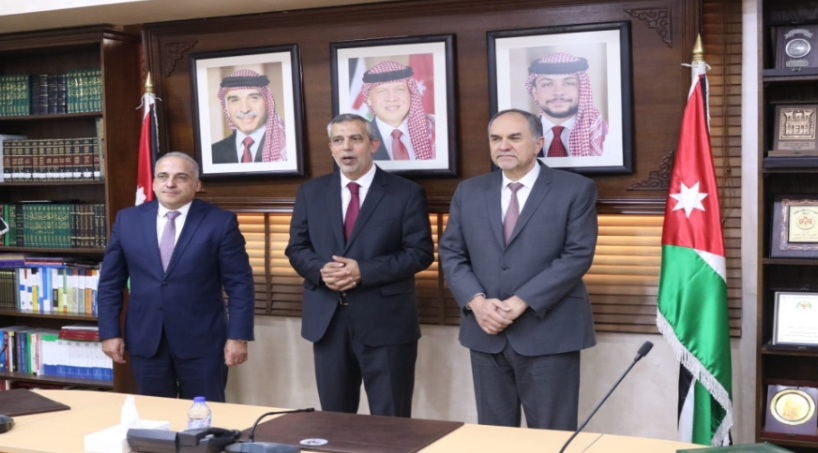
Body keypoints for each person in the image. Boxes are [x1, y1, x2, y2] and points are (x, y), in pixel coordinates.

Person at [439, 109, 598, 430]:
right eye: (495, 139)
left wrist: (520, 301)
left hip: (549, 332)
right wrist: (476, 302)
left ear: (538, 143)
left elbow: (577, 255)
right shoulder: (469, 191)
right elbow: (451, 253)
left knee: (551, 436)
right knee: (495, 437)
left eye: (514, 138)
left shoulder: (575, 189)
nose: (503, 146)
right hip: (485, 331)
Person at [285, 113, 434, 417]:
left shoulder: (406, 193)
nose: (347, 147)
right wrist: (320, 270)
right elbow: (297, 248)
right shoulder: (310, 192)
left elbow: (420, 253)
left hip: (386, 323)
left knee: (391, 421)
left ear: (373, 144)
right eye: (338, 140)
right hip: (328, 322)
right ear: (331, 148)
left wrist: (363, 271)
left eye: (355, 139)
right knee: (335, 420)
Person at [97, 152, 255, 402]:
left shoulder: (220, 222)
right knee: (155, 416)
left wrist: (238, 337)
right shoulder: (127, 220)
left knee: (204, 416)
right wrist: (109, 332)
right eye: (163, 176)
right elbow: (110, 283)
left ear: (197, 184)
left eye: (180, 177)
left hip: (202, 342)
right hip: (146, 339)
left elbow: (240, 285)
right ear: (153, 183)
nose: (170, 183)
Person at [525, 52, 609, 157]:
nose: (558, 92)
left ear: (582, 89)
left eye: (569, 83)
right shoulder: (520, 135)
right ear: (534, 92)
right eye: (547, 84)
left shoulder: (608, 135)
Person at [361, 61, 435, 161]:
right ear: (369, 99)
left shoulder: (436, 129)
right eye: (381, 91)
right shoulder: (357, 138)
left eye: (400, 89)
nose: (392, 98)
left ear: (411, 93)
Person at [211, 69, 286, 163]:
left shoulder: (287, 148)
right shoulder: (212, 153)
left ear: (267, 103)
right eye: (235, 100)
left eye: (254, 98)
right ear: (226, 108)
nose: (245, 109)